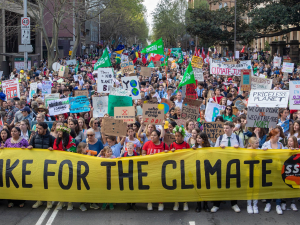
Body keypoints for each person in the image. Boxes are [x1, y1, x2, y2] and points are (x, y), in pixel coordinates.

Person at [212, 121, 243, 213]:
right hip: (222, 165)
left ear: (232, 128)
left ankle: (234, 204)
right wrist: (219, 148)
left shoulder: (237, 138)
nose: (225, 130)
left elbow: (243, 152)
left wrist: (239, 148)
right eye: (224, 128)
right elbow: (214, 152)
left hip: (234, 165)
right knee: (220, 184)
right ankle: (216, 204)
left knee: (233, 184)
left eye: (227, 128)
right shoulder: (220, 138)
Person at [28, 122, 55, 209]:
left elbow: (56, 149)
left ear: (45, 129)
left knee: (48, 183)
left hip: (48, 165)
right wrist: (30, 147)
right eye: (37, 128)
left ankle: (49, 201)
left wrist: (52, 149)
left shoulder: (51, 138)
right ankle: (39, 200)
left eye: (39, 128)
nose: (37, 130)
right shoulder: (34, 137)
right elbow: (30, 146)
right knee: (38, 183)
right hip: (37, 164)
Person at [142, 130, 169, 211]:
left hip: (161, 170)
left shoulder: (164, 145)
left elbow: (169, 156)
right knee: (150, 186)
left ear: (158, 136)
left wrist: (166, 153)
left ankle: (160, 203)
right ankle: (150, 202)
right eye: (151, 135)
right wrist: (147, 156)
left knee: (160, 186)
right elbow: (142, 154)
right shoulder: (147, 144)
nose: (152, 137)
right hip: (150, 169)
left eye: (154, 135)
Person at [262, 130, 283, 214]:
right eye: (277, 136)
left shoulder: (280, 145)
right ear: (272, 136)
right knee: (269, 186)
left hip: (277, 168)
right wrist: (263, 151)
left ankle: (278, 204)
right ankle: (268, 203)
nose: (278, 138)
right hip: (268, 169)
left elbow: (285, 154)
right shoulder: (265, 144)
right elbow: (260, 154)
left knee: (277, 186)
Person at [169, 125, 190, 211]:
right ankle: (176, 202)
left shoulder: (186, 144)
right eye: (176, 136)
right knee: (176, 186)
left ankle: (185, 202)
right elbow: (169, 157)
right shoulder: (172, 144)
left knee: (184, 186)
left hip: (184, 168)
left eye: (179, 136)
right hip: (175, 168)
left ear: (182, 136)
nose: (177, 137)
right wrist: (171, 152)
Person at [192, 132, 210, 212]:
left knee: (205, 188)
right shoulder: (195, 147)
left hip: (206, 170)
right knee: (198, 188)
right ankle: (198, 205)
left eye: (199, 138)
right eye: (197, 138)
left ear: (204, 139)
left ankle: (205, 204)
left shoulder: (209, 147)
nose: (198, 139)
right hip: (197, 170)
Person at [246, 137, 259, 214]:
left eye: (258, 143)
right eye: (256, 143)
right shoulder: (247, 151)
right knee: (249, 189)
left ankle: (255, 204)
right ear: (251, 144)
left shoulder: (259, 150)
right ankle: (249, 204)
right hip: (249, 172)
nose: (258, 144)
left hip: (257, 172)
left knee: (256, 189)